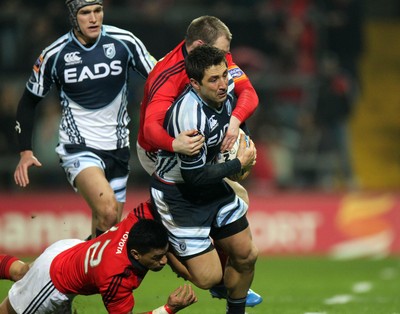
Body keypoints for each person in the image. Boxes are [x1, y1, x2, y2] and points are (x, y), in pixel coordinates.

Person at [136, 15, 262, 306]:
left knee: (245, 248)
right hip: (160, 152)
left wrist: (234, 123)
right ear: (200, 47)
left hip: (200, 145)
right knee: (208, 276)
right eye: (222, 52)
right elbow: (150, 129)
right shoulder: (168, 78)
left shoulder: (216, 65)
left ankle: (225, 278)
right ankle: (166, 234)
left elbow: (248, 93)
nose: (228, 60)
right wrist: (174, 143)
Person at [13, 0, 156, 239]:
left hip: (118, 149)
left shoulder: (125, 42)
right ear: (73, 17)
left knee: (106, 234)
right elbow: (28, 101)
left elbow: (159, 78)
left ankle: (79, 271)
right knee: (109, 212)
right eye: (85, 13)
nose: (93, 18)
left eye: (97, 11)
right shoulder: (54, 54)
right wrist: (25, 151)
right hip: (79, 148)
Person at [0, 202, 197, 314]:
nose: (164, 261)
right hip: (53, 282)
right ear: (136, 254)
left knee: (23, 272)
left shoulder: (134, 221)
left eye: (165, 254)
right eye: (157, 257)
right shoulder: (116, 278)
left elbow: (159, 199)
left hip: (67, 250)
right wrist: (169, 308)